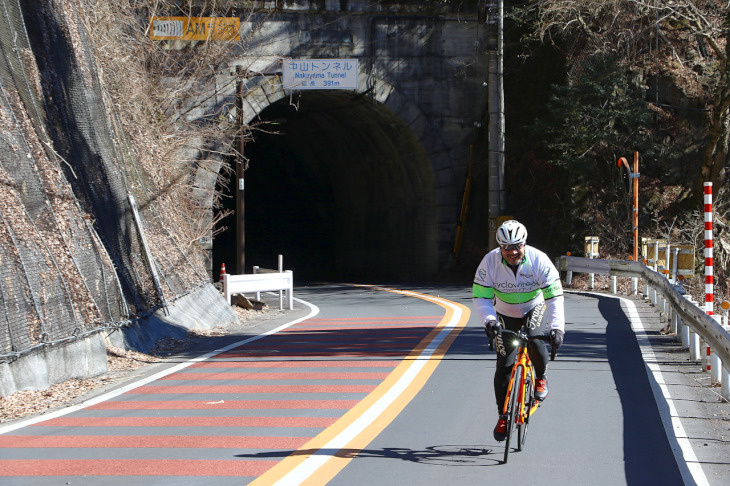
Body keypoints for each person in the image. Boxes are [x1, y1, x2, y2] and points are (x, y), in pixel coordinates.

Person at [472, 220, 565, 442]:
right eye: (507, 248)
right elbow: (481, 297)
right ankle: (503, 415)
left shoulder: (539, 260)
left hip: (535, 306)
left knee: (534, 338)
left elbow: (554, 298)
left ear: (524, 244)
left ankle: (541, 377)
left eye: (517, 246)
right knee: (504, 364)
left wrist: (557, 328)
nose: (513, 252)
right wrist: (489, 321)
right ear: (500, 248)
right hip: (504, 312)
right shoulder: (489, 263)